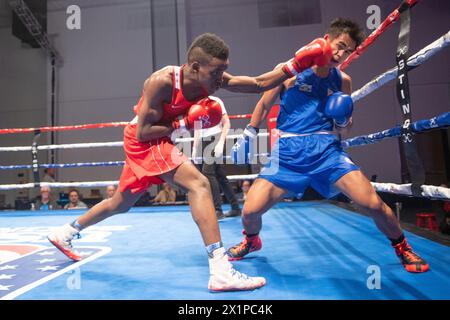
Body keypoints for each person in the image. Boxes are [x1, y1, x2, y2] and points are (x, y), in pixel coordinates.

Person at [47, 32, 333, 291]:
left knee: (120, 203)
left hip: (160, 140)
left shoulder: (211, 78)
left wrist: (295, 65)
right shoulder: (161, 82)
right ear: (195, 67)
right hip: (145, 140)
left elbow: (258, 83)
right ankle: (220, 269)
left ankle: (65, 232)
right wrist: (184, 122)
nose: (222, 76)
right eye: (216, 70)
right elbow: (143, 131)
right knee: (199, 184)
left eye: (224, 68)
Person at [227, 18, 429, 273]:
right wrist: (249, 133)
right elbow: (264, 104)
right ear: (327, 39)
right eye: (340, 45)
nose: (341, 53)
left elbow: (345, 127)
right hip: (288, 154)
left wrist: (344, 118)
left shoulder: (342, 80)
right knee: (250, 212)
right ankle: (251, 240)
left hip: (326, 152)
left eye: (348, 50)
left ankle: (403, 248)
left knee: (373, 204)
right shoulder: (290, 70)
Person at [192, 96, 242, 219]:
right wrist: (194, 148)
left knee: (207, 173)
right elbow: (197, 129)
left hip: (216, 137)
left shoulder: (216, 101)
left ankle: (217, 210)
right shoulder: (195, 104)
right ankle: (235, 207)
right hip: (204, 141)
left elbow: (226, 123)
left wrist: (221, 142)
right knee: (220, 175)